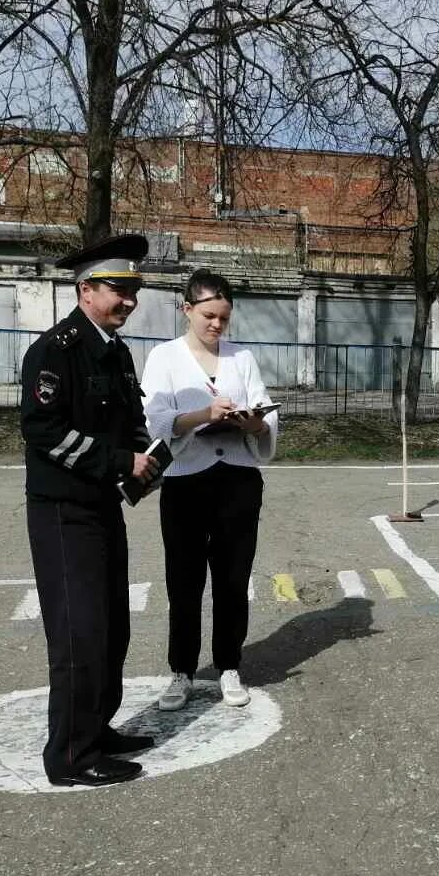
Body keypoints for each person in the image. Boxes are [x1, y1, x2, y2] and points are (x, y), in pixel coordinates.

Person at [21, 233, 161, 788]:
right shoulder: (54, 351)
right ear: (85, 289)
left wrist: (146, 456)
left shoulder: (115, 350)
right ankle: (71, 756)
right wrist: (119, 459)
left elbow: (128, 419)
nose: (128, 300)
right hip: (63, 511)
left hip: (102, 504)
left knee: (111, 629)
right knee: (79, 634)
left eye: (135, 290)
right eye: (118, 289)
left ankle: (97, 728)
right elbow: (43, 432)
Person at [141, 268, 278, 712]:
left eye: (224, 317)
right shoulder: (164, 357)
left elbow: (267, 418)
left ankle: (229, 666)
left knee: (233, 579)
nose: (217, 325)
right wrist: (202, 415)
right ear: (187, 309)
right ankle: (181, 671)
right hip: (185, 481)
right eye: (208, 316)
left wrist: (254, 422)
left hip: (238, 479)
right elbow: (157, 420)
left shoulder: (243, 358)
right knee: (183, 581)